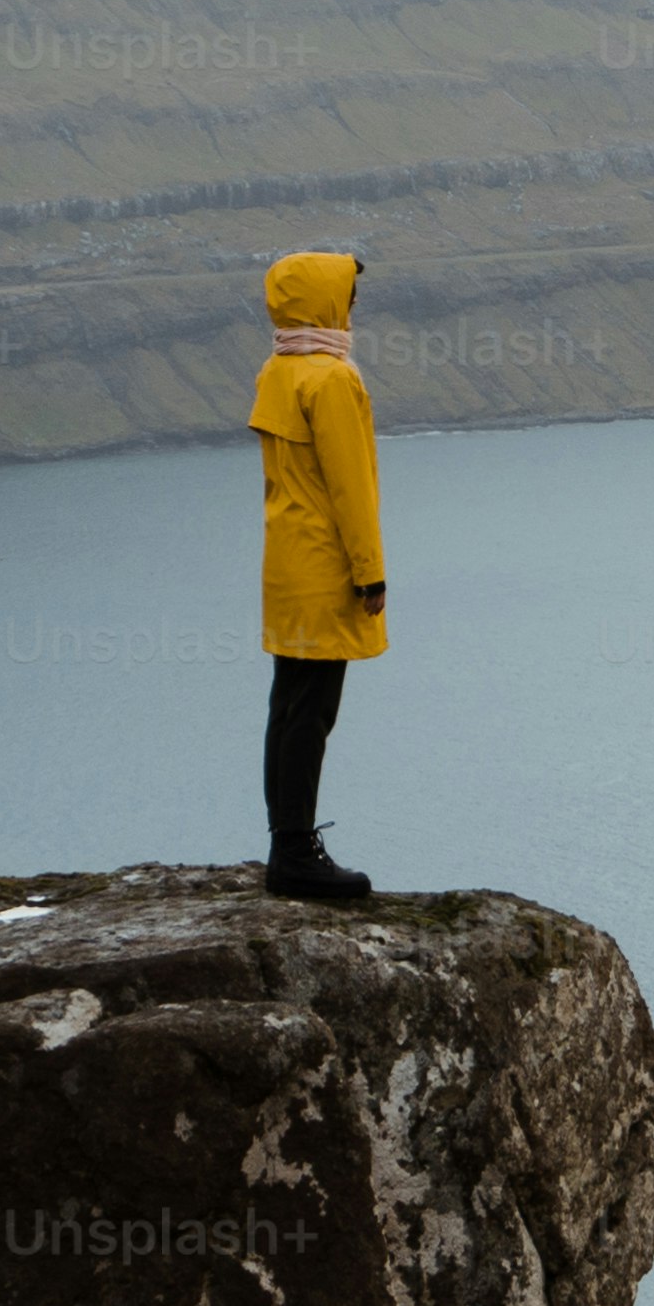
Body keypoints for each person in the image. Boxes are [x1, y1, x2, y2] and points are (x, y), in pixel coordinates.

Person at [252, 248, 386, 902]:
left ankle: (286, 841)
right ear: (324, 301)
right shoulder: (333, 380)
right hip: (325, 564)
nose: (353, 305)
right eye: (347, 294)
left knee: (287, 706)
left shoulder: (278, 371)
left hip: (285, 561)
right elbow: (351, 486)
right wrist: (370, 574)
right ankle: (297, 854)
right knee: (313, 712)